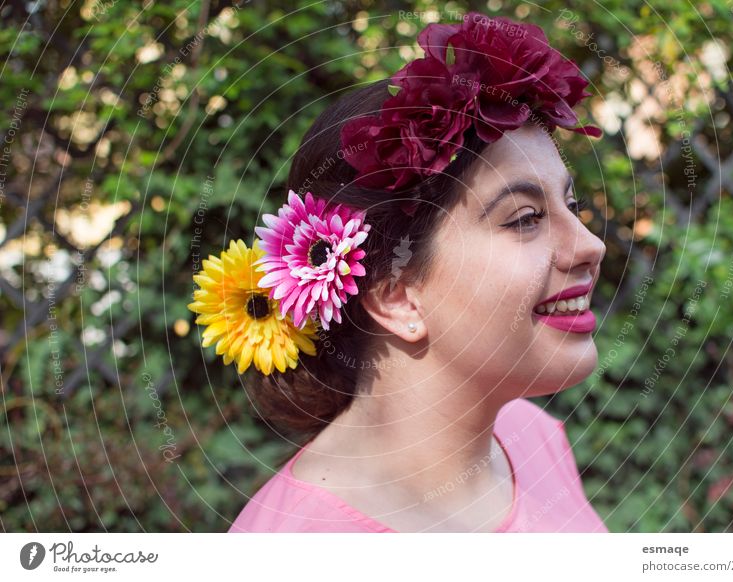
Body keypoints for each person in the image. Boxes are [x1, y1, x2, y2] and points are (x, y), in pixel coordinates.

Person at [193, 11, 609, 533]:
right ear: (396, 296)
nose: (590, 245)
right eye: (525, 219)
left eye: (572, 205)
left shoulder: (531, 437)